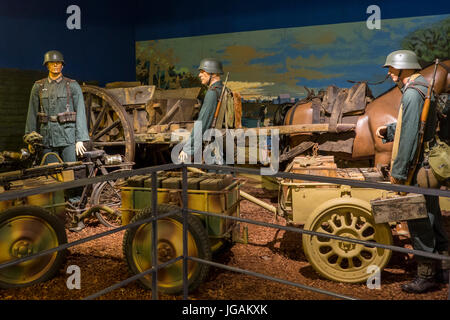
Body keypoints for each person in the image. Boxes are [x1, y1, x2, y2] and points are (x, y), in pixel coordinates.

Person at [376, 50, 449, 293]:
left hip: (419, 167)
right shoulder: (422, 87)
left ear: (403, 68)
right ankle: (444, 269)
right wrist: (388, 131)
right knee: (431, 215)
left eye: (392, 69)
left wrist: (398, 171)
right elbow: (415, 124)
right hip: (429, 163)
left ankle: (426, 275)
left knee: (418, 220)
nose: (389, 73)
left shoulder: (411, 94)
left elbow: (408, 137)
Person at [24, 50, 90, 204]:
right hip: (47, 138)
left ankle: (75, 205)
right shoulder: (38, 87)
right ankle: (56, 205)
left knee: (72, 172)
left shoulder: (72, 86)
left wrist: (80, 139)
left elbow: (80, 112)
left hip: (68, 136)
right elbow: (32, 113)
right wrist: (29, 137)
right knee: (50, 173)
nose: (55, 65)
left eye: (58, 62)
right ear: (46, 65)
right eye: (52, 63)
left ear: (62, 65)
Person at [178, 58, 223, 163]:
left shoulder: (212, 93)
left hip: (213, 144)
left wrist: (188, 149)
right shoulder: (223, 90)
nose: (199, 75)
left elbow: (202, 122)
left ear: (213, 74)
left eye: (203, 72)